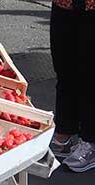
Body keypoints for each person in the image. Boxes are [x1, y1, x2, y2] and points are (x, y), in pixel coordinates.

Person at [50, 0, 95, 171]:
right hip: (64, 5)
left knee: (90, 75)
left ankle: (90, 140)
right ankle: (63, 133)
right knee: (64, 68)